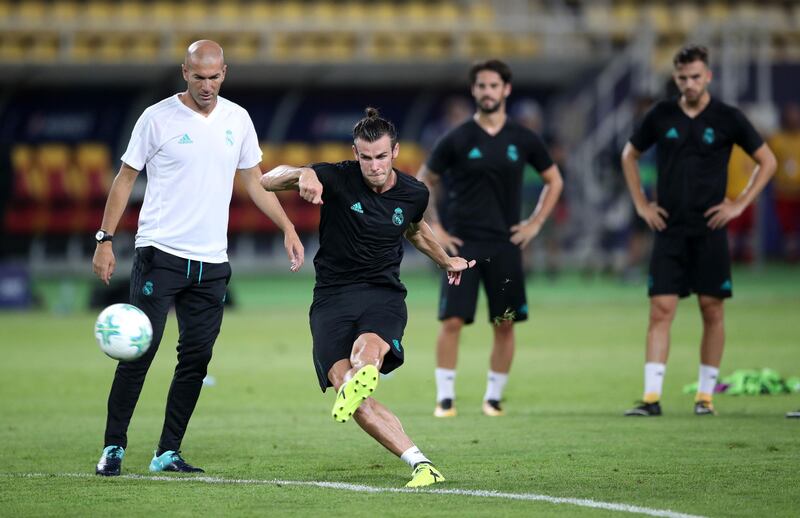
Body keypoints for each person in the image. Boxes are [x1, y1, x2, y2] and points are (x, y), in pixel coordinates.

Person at [92, 40, 304, 476]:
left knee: (196, 358)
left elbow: (255, 181)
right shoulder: (157, 118)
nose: (207, 85)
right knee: (139, 352)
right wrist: (104, 239)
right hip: (160, 253)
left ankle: (167, 451)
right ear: (184, 72)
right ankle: (113, 447)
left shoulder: (238, 119)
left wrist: (287, 227)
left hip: (211, 263)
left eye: (214, 76)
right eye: (198, 76)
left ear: (224, 72)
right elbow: (124, 177)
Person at [261, 108, 475, 488]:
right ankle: (421, 463)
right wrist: (303, 173)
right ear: (355, 153)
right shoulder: (337, 177)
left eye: (381, 156)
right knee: (350, 391)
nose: (373, 165)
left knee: (367, 351)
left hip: (382, 294)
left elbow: (415, 230)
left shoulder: (414, 192)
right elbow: (266, 180)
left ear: (394, 152)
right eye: (365, 157)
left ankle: (365, 372)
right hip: (330, 299)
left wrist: (445, 260)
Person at [621, 45, 776, 417]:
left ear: (708, 76)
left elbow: (766, 161)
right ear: (675, 78)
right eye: (682, 78)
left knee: (712, 309)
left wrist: (739, 203)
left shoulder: (727, 117)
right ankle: (652, 399)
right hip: (670, 227)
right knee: (661, 309)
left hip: (710, 228)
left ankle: (705, 398)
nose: (688, 84)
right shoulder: (661, 115)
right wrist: (642, 204)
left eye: (695, 77)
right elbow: (629, 155)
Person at [416, 59, 563, 418]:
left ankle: (493, 398)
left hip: (504, 247)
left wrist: (535, 223)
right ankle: (445, 398)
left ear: (506, 90)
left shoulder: (524, 138)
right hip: (461, 247)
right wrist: (437, 229)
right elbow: (423, 182)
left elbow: (554, 180)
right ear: (474, 90)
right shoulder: (456, 138)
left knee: (505, 321)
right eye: (481, 86)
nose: (487, 92)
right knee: (452, 321)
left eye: (493, 86)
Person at [769, 102, 800, 262]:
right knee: (787, 227)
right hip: (783, 191)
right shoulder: (776, 139)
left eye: (796, 114)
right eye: (790, 114)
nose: (793, 118)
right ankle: (791, 256)